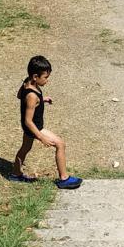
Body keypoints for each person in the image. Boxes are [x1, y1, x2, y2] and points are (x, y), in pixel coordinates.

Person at [10, 56, 81, 189]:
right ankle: (64, 178)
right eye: (45, 77)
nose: (47, 81)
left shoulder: (27, 83)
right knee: (60, 144)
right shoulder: (32, 96)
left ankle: (15, 174)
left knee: (25, 148)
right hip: (34, 127)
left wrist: (42, 100)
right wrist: (41, 137)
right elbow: (28, 120)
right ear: (35, 76)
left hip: (27, 128)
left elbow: (20, 96)